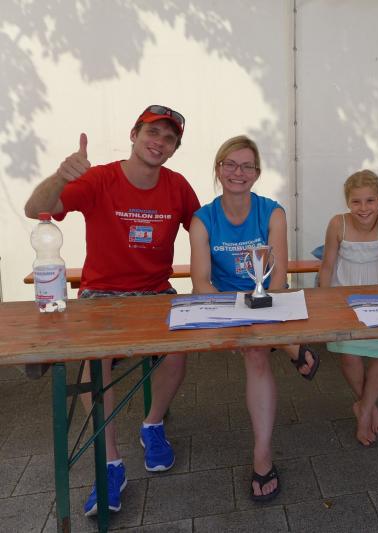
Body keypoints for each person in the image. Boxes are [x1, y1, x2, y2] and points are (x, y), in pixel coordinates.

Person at [23, 105, 200, 516]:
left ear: (174, 149)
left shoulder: (177, 186)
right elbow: (35, 209)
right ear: (134, 135)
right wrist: (61, 176)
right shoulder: (100, 178)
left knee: (179, 349)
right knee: (95, 362)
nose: (159, 142)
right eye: (152, 133)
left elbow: (205, 228)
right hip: (101, 294)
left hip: (155, 292)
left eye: (169, 138)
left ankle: (152, 425)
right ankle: (111, 463)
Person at [189, 135, 320, 501]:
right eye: (230, 164)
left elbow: (277, 281)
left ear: (257, 173)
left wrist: (255, 324)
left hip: (268, 300)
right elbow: (201, 285)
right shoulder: (202, 220)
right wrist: (237, 320)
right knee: (257, 347)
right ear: (218, 169)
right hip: (225, 303)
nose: (238, 172)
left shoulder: (272, 212)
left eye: (247, 166)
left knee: (257, 351)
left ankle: (262, 455)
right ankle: (291, 346)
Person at [318, 170, 378, 446]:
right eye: (356, 201)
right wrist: (324, 302)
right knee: (350, 357)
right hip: (344, 298)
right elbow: (327, 266)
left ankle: (364, 409)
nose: (363, 208)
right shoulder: (337, 224)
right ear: (347, 202)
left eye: (369, 201)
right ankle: (369, 406)